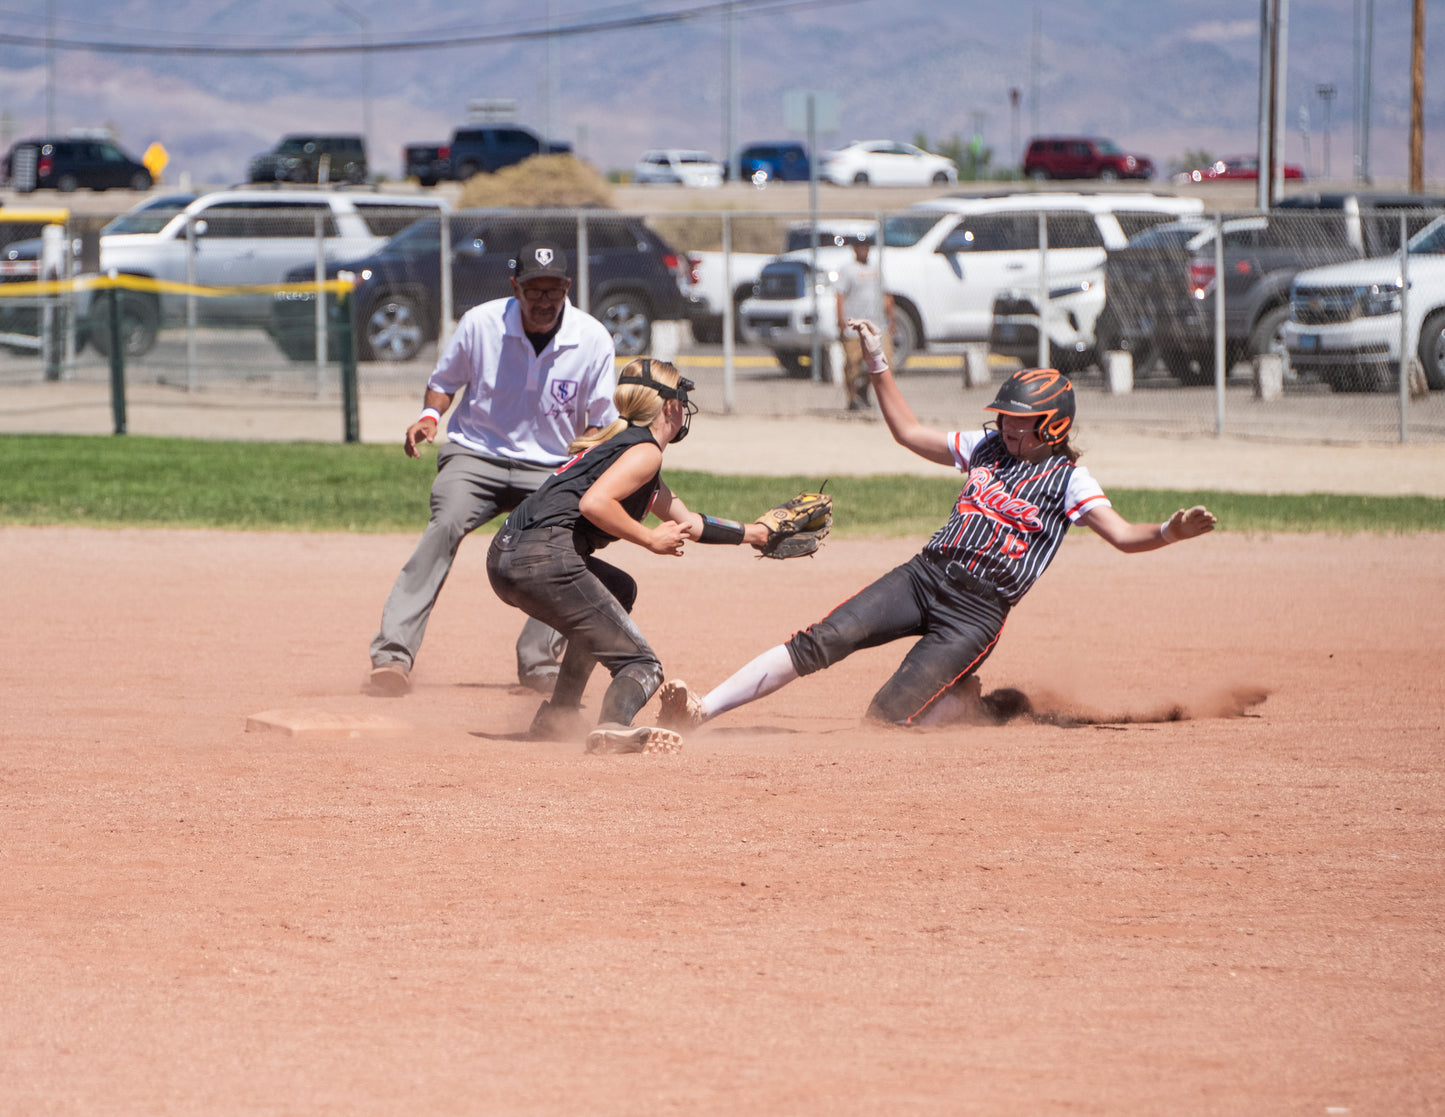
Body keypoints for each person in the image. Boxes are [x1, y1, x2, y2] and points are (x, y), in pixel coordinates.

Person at [656, 318, 1218, 732]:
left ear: (1052, 427)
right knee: (822, 641)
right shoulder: (987, 448)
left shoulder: (1070, 478)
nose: (1005, 427)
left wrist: (1170, 531)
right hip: (923, 577)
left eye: (1019, 422)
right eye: (1004, 418)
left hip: (975, 616)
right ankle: (704, 708)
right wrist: (877, 360)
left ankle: (966, 705)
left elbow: (1121, 535)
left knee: (884, 721)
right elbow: (907, 430)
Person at [366, 240, 619, 698]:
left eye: (552, 291)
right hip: (476, 455)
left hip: (549, 467)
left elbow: (602, 421)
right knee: (443, 526)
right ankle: (392, 656)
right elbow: (443, 384)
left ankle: (540, 662)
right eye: (532, 290)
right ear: (514, 287)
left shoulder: (593, 338)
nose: (543, 301)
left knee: (566, 547)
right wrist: (429, 418)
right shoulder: (480, 324)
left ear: (566, 287)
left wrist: (585, 470)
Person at [486, 358, 772, 754]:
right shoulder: (644, 452)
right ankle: (613, 726)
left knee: (618, 588)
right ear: (667, 404)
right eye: (681, 396)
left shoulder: (622, 449)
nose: (684, 406)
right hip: (543, 557)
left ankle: (559, 717)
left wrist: (758, 535)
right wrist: (649, 540)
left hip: (508, 556)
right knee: (643, 666)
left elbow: (687, 521)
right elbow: (595, 503)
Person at [835, 232, 896, 411]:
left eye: (867, 247)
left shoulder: (876, 268)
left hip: (876, 326)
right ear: (854, 249)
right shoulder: (848, 269)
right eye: (860, 247)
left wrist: (891, 318)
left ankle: (866, 391)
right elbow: (839, 295)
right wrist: (840, 320)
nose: (864, 250)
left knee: (884, 363)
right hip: (854, 326)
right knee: (853, 364)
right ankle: (852, 397)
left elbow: (886, 294)